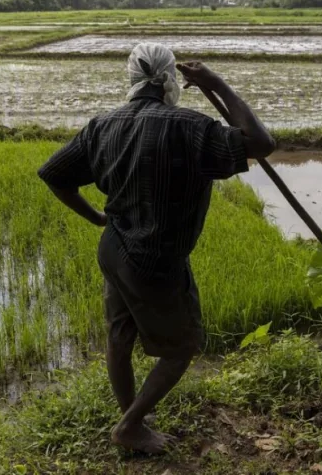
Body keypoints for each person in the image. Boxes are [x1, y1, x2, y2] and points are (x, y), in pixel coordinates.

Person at [37, 43, 275, 454]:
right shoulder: (190, 127)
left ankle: (134, 421)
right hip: (156, 257)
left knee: (119, 335)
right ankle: (130, 427)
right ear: (170, 80)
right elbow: (261, 143)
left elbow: (55, 175)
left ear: (131, 80)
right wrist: (214, 82)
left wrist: (97, 217)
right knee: (182, 347)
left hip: (114, 248)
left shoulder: (103, 125)